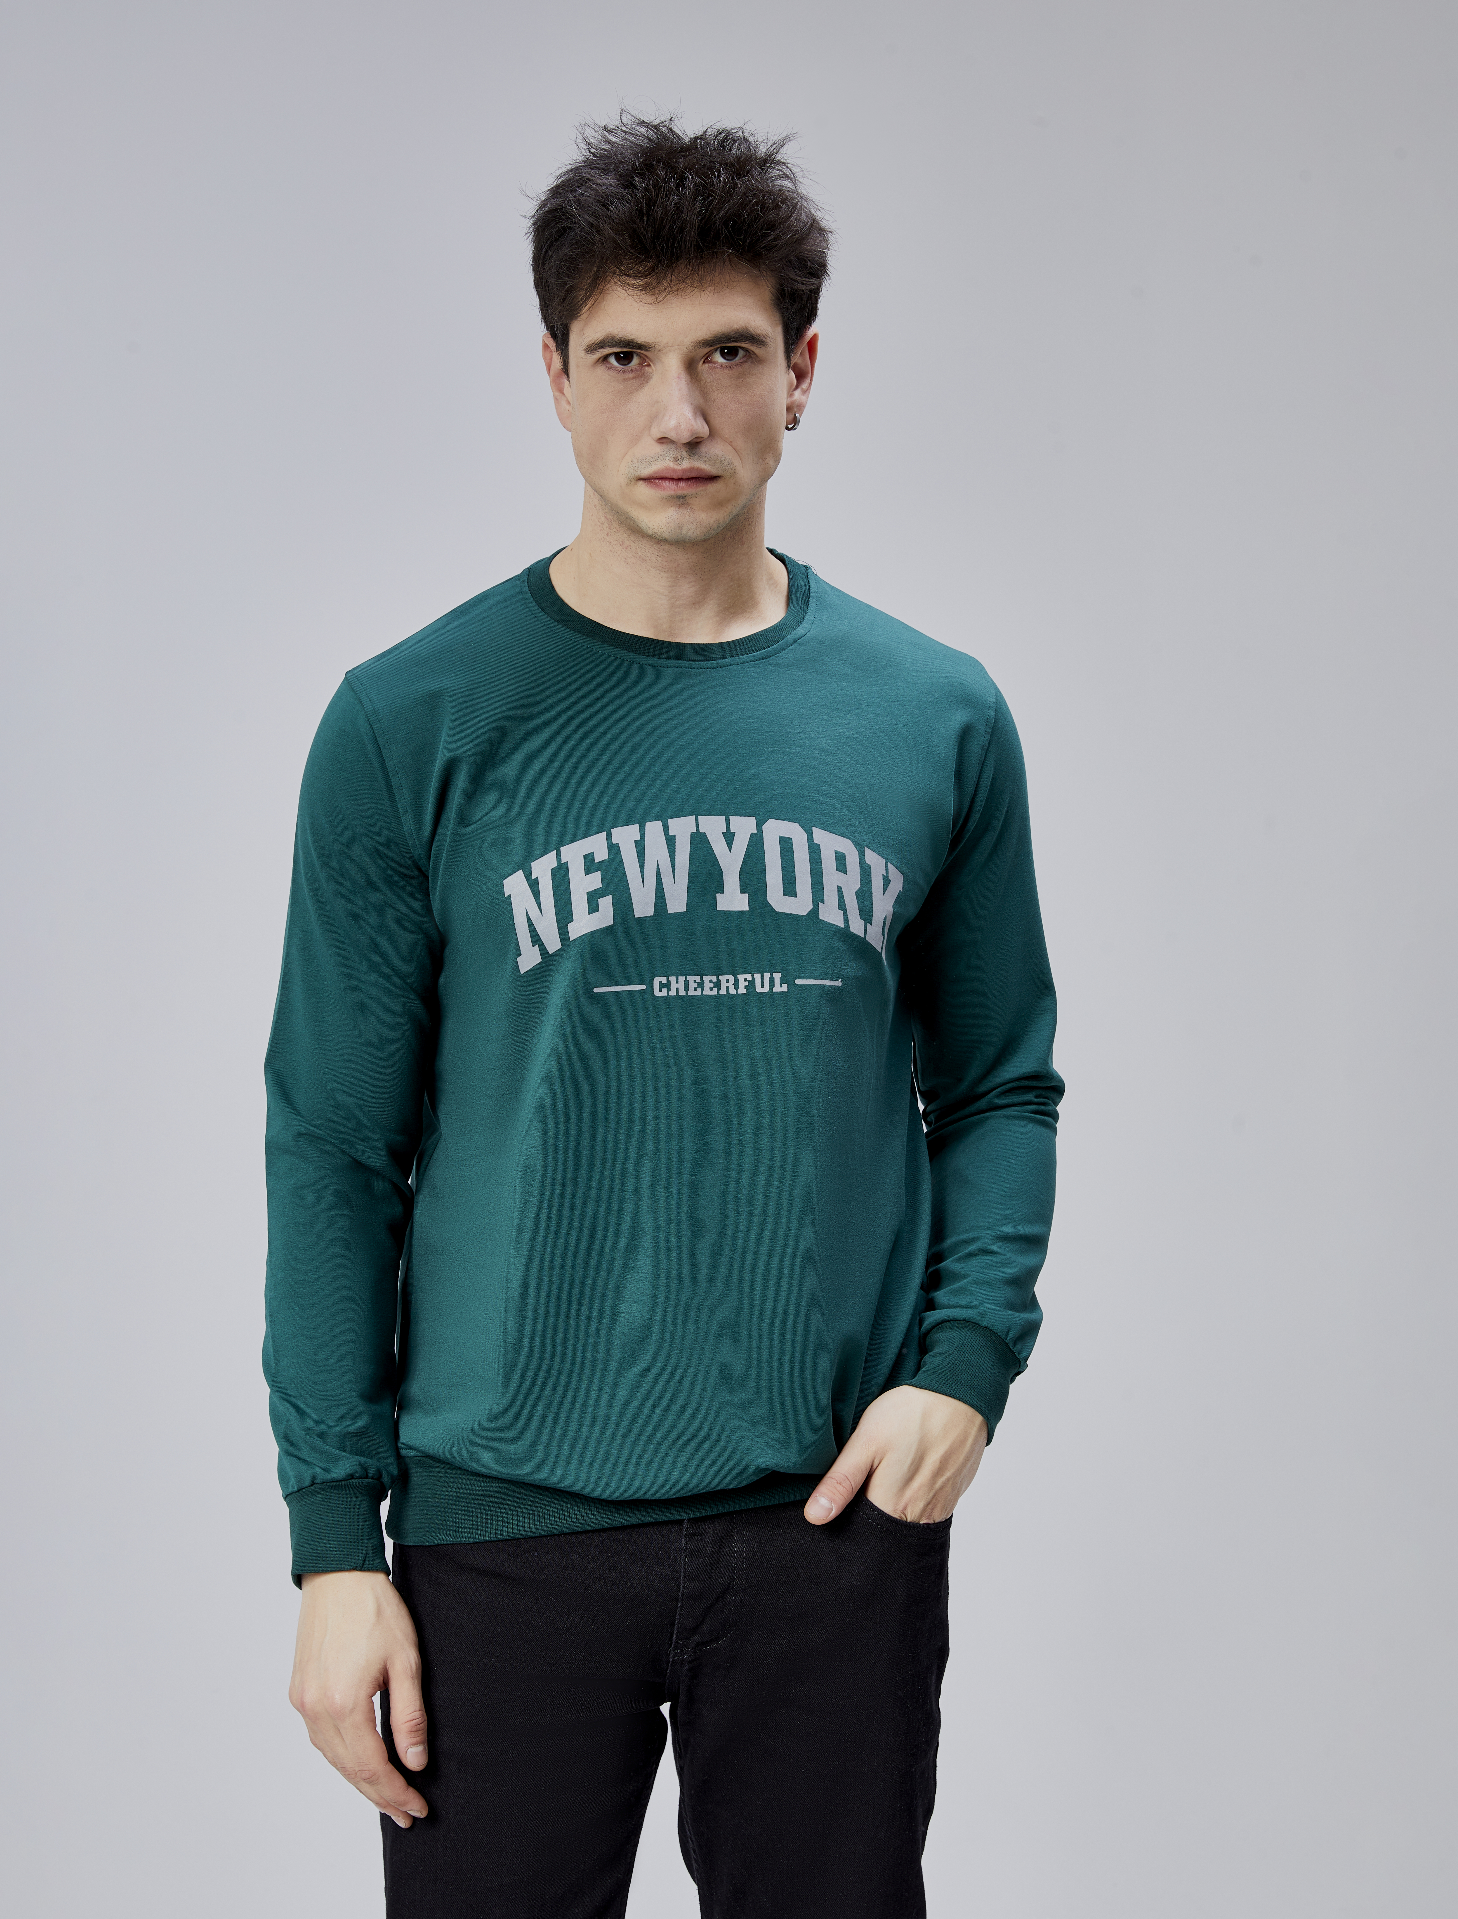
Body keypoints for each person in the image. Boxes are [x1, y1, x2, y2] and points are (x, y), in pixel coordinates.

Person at [263, 111, 1063, 1919]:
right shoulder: (411, 720)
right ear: (554, 378)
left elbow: (1001, 1084)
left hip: (830, 1524)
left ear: (801, 372)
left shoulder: (933, 714)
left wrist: (964, 1363)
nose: (678, 412)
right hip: (498, 1534)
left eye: (726, 354)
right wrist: (331, 1543)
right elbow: (332, 1147)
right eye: (623, 357)